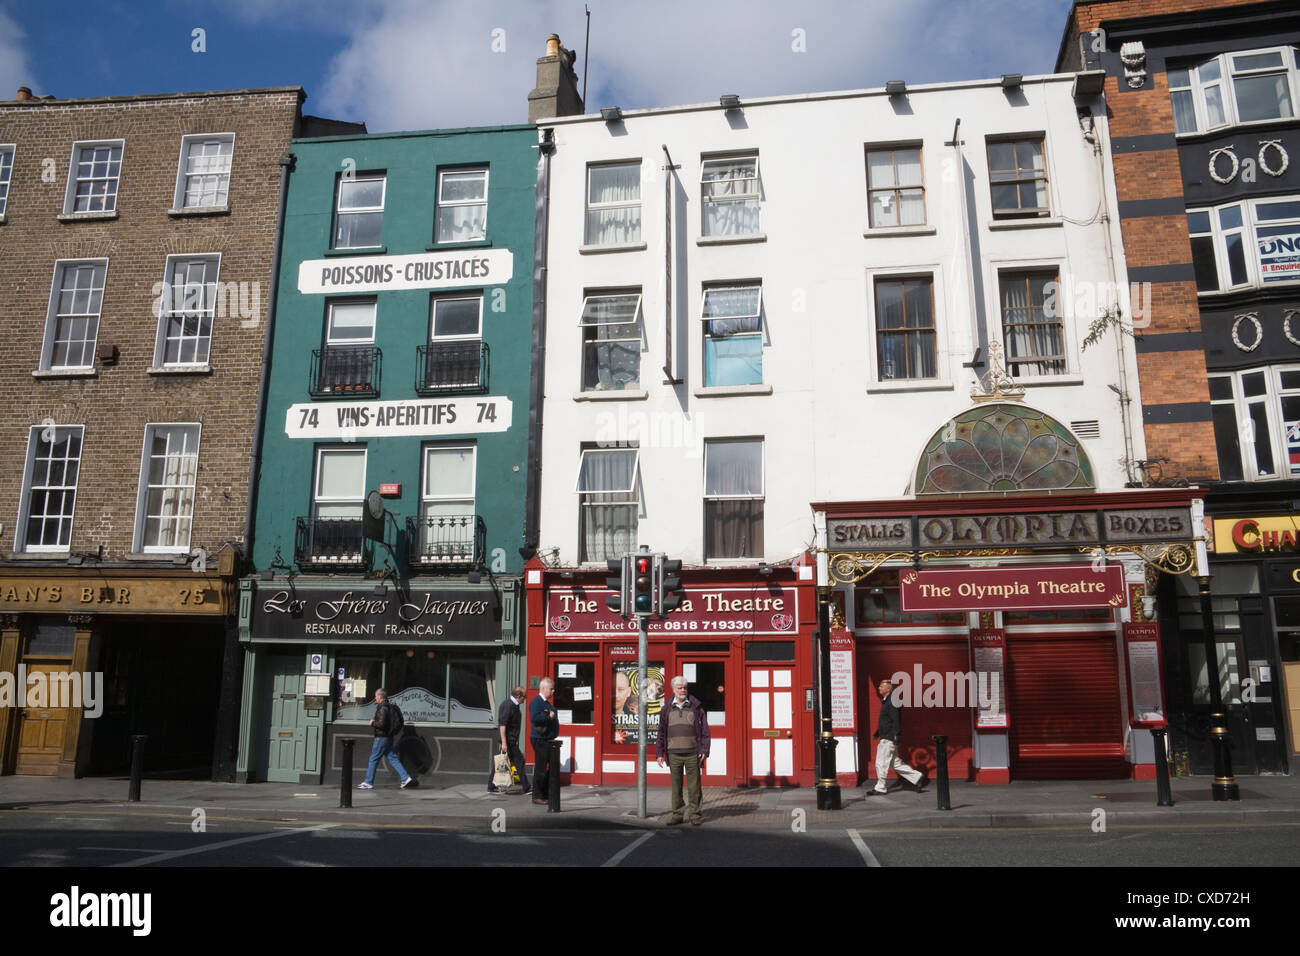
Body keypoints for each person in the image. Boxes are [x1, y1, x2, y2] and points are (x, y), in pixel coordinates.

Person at [655, 676, 710, 825]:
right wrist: (659, 753)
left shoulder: (696, 707)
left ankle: (695, 815)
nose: (683, 690)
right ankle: (678, 814)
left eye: (685, 687)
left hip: (693, 753)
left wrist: (704, 749)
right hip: (673, 753)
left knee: (695, 786)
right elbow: (661, 732)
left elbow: (705, 730)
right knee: (676, 786)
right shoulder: (666, 709)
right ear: (673, 689)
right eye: (679, 687)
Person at [869, 678, 926, 795]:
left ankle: (880, 788)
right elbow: (887, 721)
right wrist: (878, 732)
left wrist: (896, 736)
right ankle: (917, 777)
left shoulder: (893, 701)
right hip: (887, 736)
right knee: (895, 763)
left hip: (889, 738)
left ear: (888, 689)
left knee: (881, 762)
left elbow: (896, 721)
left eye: (881, 686)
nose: (879, 688)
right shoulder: (887, 701)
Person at [358, 688, 415, 790]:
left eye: (376, 696)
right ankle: (405, 778)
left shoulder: (383, 708)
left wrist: (372, 723)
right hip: (388, 737)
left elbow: (382, 724)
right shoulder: (388, 706)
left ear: (380, 697)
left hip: (381, 737)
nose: (375, 698)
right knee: (392, 758)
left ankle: (368, 782)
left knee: (373, 759)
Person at [489, 685, 530, 794]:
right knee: (519, 761)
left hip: (511, 741)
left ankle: (491, 786)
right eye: (524, 697)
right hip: (509, 741)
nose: (525, 699)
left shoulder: (514, 706)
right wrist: (504, 743)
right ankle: (527, 787)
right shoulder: (508, 705)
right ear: (518, 696)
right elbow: (503, 725)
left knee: (501, 763)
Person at [529, 678, 559, 805]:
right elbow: (535, 718)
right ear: (543, 689)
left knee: (548, 768)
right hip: (540, 739)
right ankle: (537, 796)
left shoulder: (547, 703)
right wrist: (549, 716)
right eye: (551, 689)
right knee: (541, 768)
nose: (553, 691)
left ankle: (544, 793)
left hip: (548, 739)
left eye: (553, 688)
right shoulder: (536, 702)